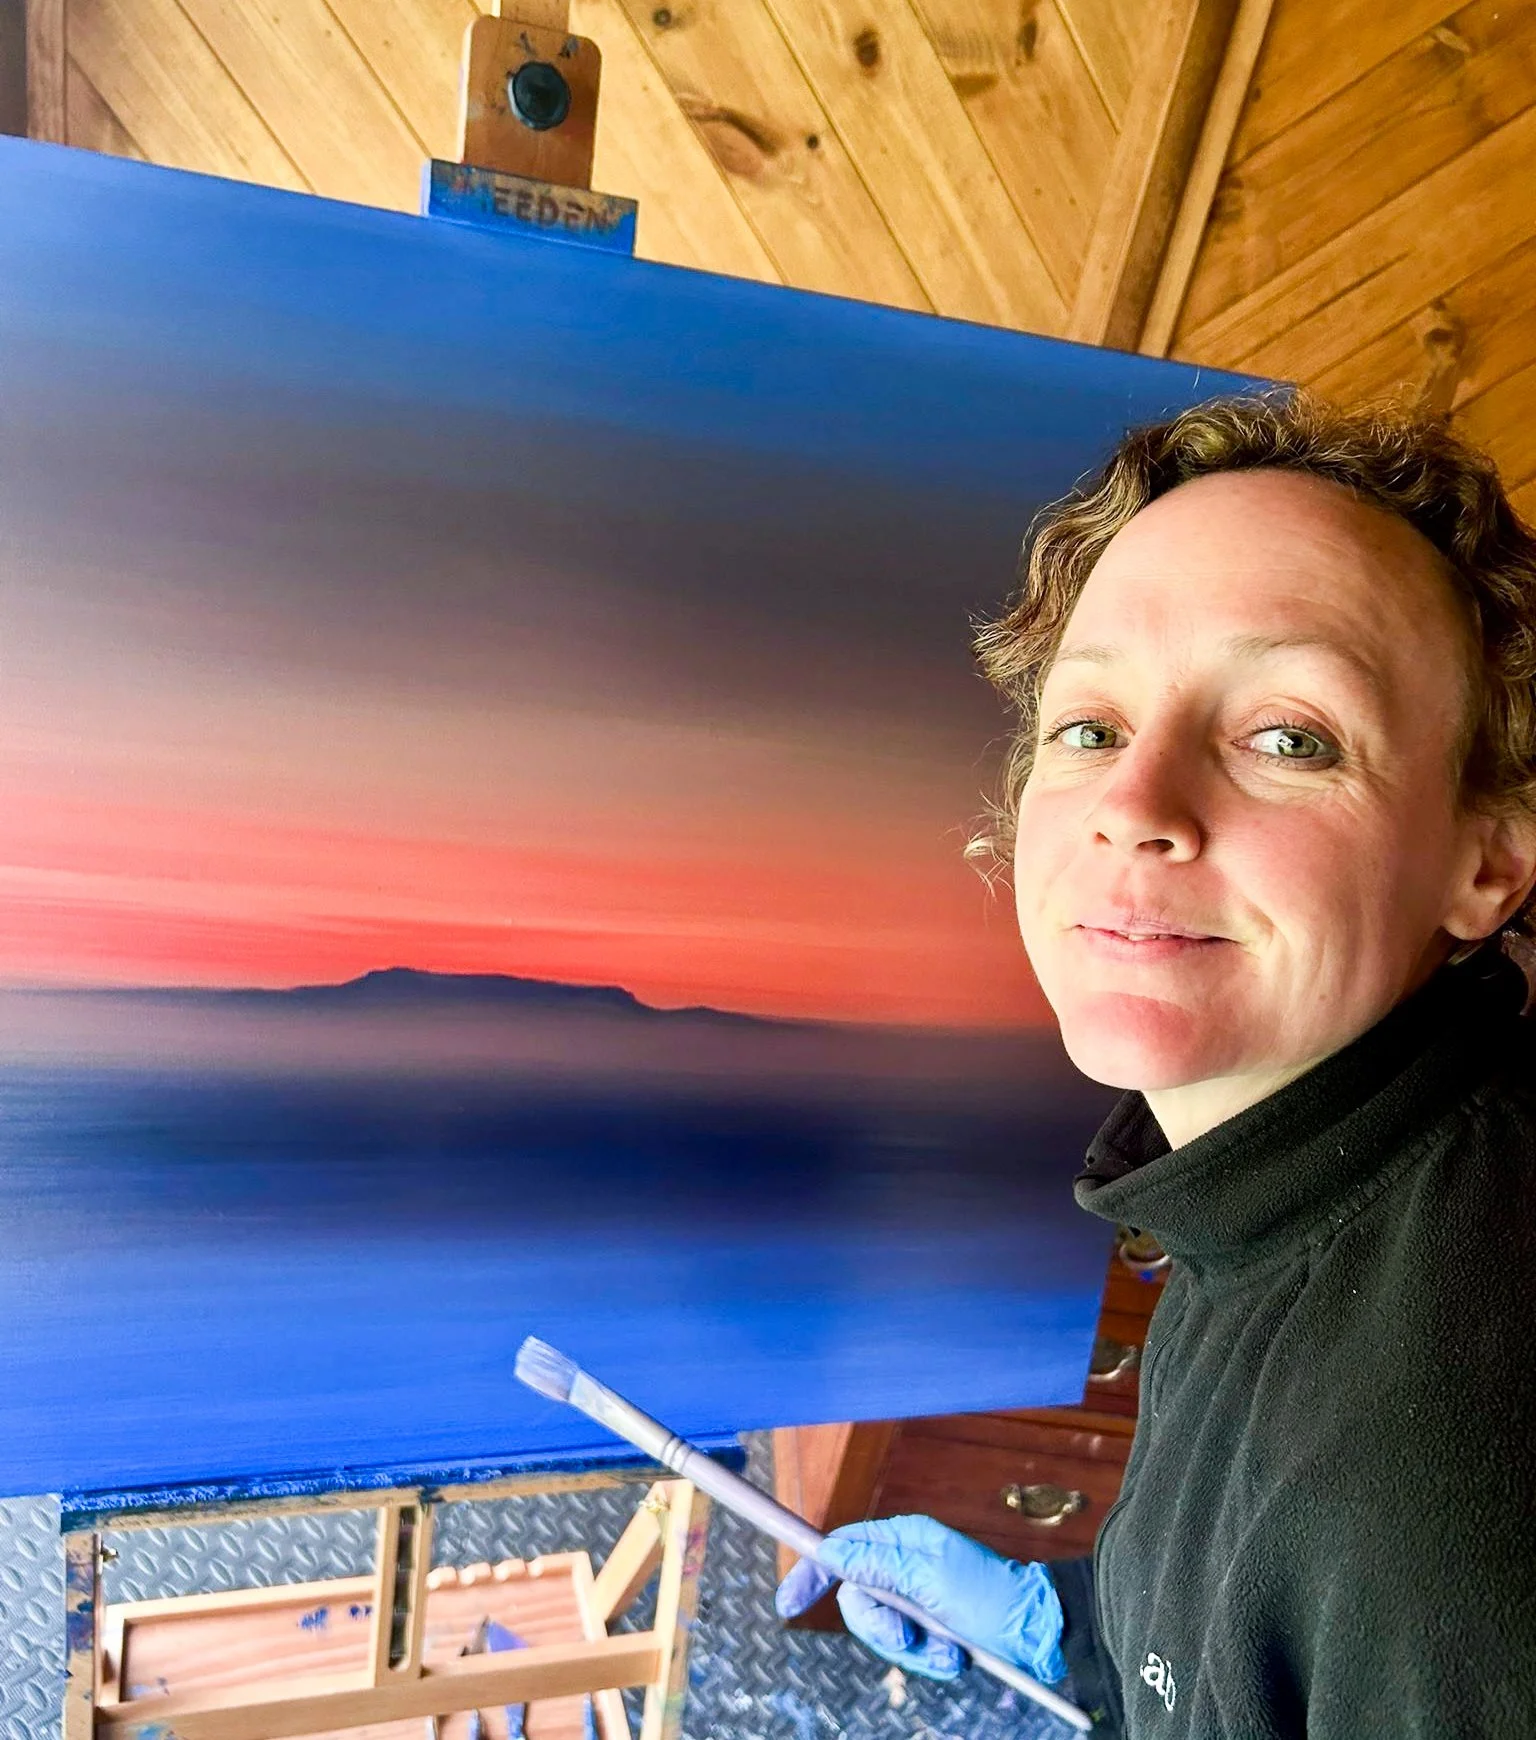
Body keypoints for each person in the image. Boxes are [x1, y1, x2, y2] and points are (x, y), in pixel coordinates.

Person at [776, 391, 1536, 1737]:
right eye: (1091, 727)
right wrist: (1067, 1627)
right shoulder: (1272, 1185)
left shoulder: (1450, 1484)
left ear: (1489, 860)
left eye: (1290, 736)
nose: (1135, 808)